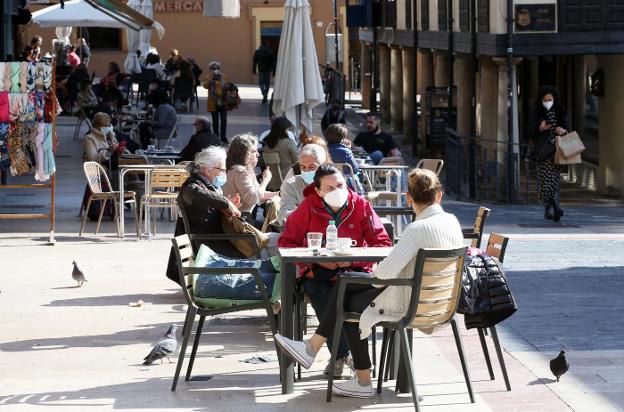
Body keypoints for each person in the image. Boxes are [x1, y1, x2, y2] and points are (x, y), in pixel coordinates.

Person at [274, 168, 463, 398]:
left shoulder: (415, 229)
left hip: (405, 301)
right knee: (346, 289)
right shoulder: (453, 222)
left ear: (408, 198)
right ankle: (318, 353)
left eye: (340, 186)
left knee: (348, 296)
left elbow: (384, 273)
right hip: (437, 302)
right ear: (439, 196)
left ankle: (333, 362)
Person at [277, 164, 392, 377]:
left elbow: (383, 243)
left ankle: (330, 355)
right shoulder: (309, 206)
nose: (337, 190)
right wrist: (314, 261)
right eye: (330, 188)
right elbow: (287, 243)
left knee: (341, 294)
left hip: (354, 272)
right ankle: (344, 358)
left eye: (340, 185)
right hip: (317, 273)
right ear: (318, 191)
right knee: (322, 292)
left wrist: (352, 260)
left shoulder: (360, 204)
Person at [165, 146, 244, 284]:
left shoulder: (207, 185)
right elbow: (195, 194)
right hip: (211, 242)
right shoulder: (192, 185)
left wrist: (227, 205)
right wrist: (226, 203)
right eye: (221, 170)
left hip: (215, 238)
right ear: (208, 170)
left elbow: (210, 204)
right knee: (259, 244)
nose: (223, 173)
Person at [530, 85, 568, 222]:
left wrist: (562, 131)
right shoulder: (537, 113)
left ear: (554, 99)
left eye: (550, 99)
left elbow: (566, 128)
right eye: (545, 100)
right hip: (542, 152)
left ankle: (552, 208)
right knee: (545, 182)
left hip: (556, 152)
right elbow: (530, 132)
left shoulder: (560, 112)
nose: (547, 102)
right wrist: (540, 129)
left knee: (554, 182)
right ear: (541, 100)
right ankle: (554, 208)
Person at [222, 134, 279, 223]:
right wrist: (265, 180)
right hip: (237, 222)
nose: (258, 154)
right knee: (274, 230)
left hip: (236, 219)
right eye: (254, 151)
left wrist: (280, 193)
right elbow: (253, 198)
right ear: (243, 153)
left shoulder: (240, 169)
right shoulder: (240, 171)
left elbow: (259, 194)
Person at [277, 143, 327, 225]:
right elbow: (283, 215)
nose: (306, 171)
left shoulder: (332, 182)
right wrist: (310, 213)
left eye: (311, 167)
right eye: (303, 167)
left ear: (323, 165)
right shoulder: (292, 184)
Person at [262, 116, 299, 190]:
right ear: (284, 130)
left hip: (271, 182)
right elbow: (297, 161)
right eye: (288, 129)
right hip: (288, 180)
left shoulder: (266, 144)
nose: (288, 131)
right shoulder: (289, 143)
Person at [325, 123, 363, 193]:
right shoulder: (346, 151)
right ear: (342, 138)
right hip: (346, 185)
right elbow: (354, 170)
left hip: (327, 184)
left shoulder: (323, 150)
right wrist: (348, 149)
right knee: (359, 175)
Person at [203, 61, 230, 144]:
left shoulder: (224, 77)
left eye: (217, 68)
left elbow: (227, 86)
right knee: (215, 121)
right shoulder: (208, 77)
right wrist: (212, 80)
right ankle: (216, 137)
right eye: (214, 68)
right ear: (210, 69)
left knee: (223, 120)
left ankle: (223, 137)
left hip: (223, 101)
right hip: (213, 102)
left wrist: (220, 79)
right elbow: (205, 86)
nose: (216, 70)